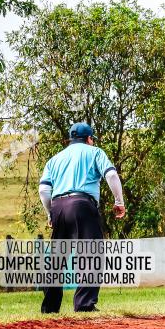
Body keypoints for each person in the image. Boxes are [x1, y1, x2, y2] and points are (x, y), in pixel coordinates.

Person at [38, 123, 126, 313]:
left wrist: (50, 213)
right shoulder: (94, 152)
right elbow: (111, 174)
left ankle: (50, 308)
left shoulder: (54, 159)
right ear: (89, 139)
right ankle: (84, 305)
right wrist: (119, 201)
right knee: (91, 254)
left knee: (56, 259)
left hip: (58, 206)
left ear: (71, 139)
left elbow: (44, 189)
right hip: (82, 205)